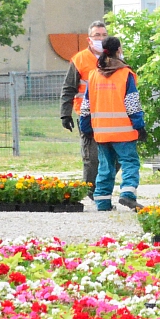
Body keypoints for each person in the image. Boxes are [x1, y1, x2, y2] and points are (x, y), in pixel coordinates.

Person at [78, 36, 146, 212]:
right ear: (118, 50)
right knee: (130, 162)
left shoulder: (93, 75)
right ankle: (128, 194)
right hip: (124, 131)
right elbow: (132, 103)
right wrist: (139, 125)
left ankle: (102, 202)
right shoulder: (125, 74)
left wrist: (86, 128)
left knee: (105, 167)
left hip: (101, 132)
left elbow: (86, 106)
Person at [59, 20, 109, 192]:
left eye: (104, 35)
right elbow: (69, 88)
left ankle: (102, 188)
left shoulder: (114, 58)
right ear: (89, 39)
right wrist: (65, 114)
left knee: (115, 157)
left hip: (112, 115)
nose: (101, 39)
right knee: (92, 157)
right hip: (87, 115)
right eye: (97, 35)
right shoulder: (80, 60)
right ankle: (90, 190)